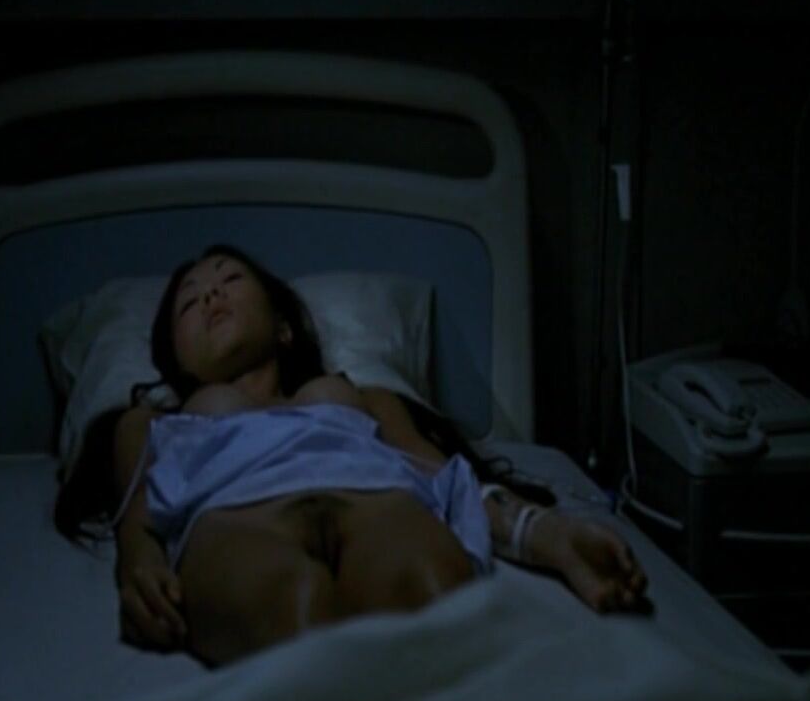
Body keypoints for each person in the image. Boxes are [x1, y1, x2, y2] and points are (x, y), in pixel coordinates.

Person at [55, 245, 649, 667]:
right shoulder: (150, 421)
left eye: (229, 279)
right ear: (177, 358)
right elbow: (136, 527)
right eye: (189, 302)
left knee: (428, 594)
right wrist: (139, 573)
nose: (209, 293)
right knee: (293, 614)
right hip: (238, 523)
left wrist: (548, 536)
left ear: (284, 328)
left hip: (382, 508)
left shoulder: (363, 395)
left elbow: (443, 478)